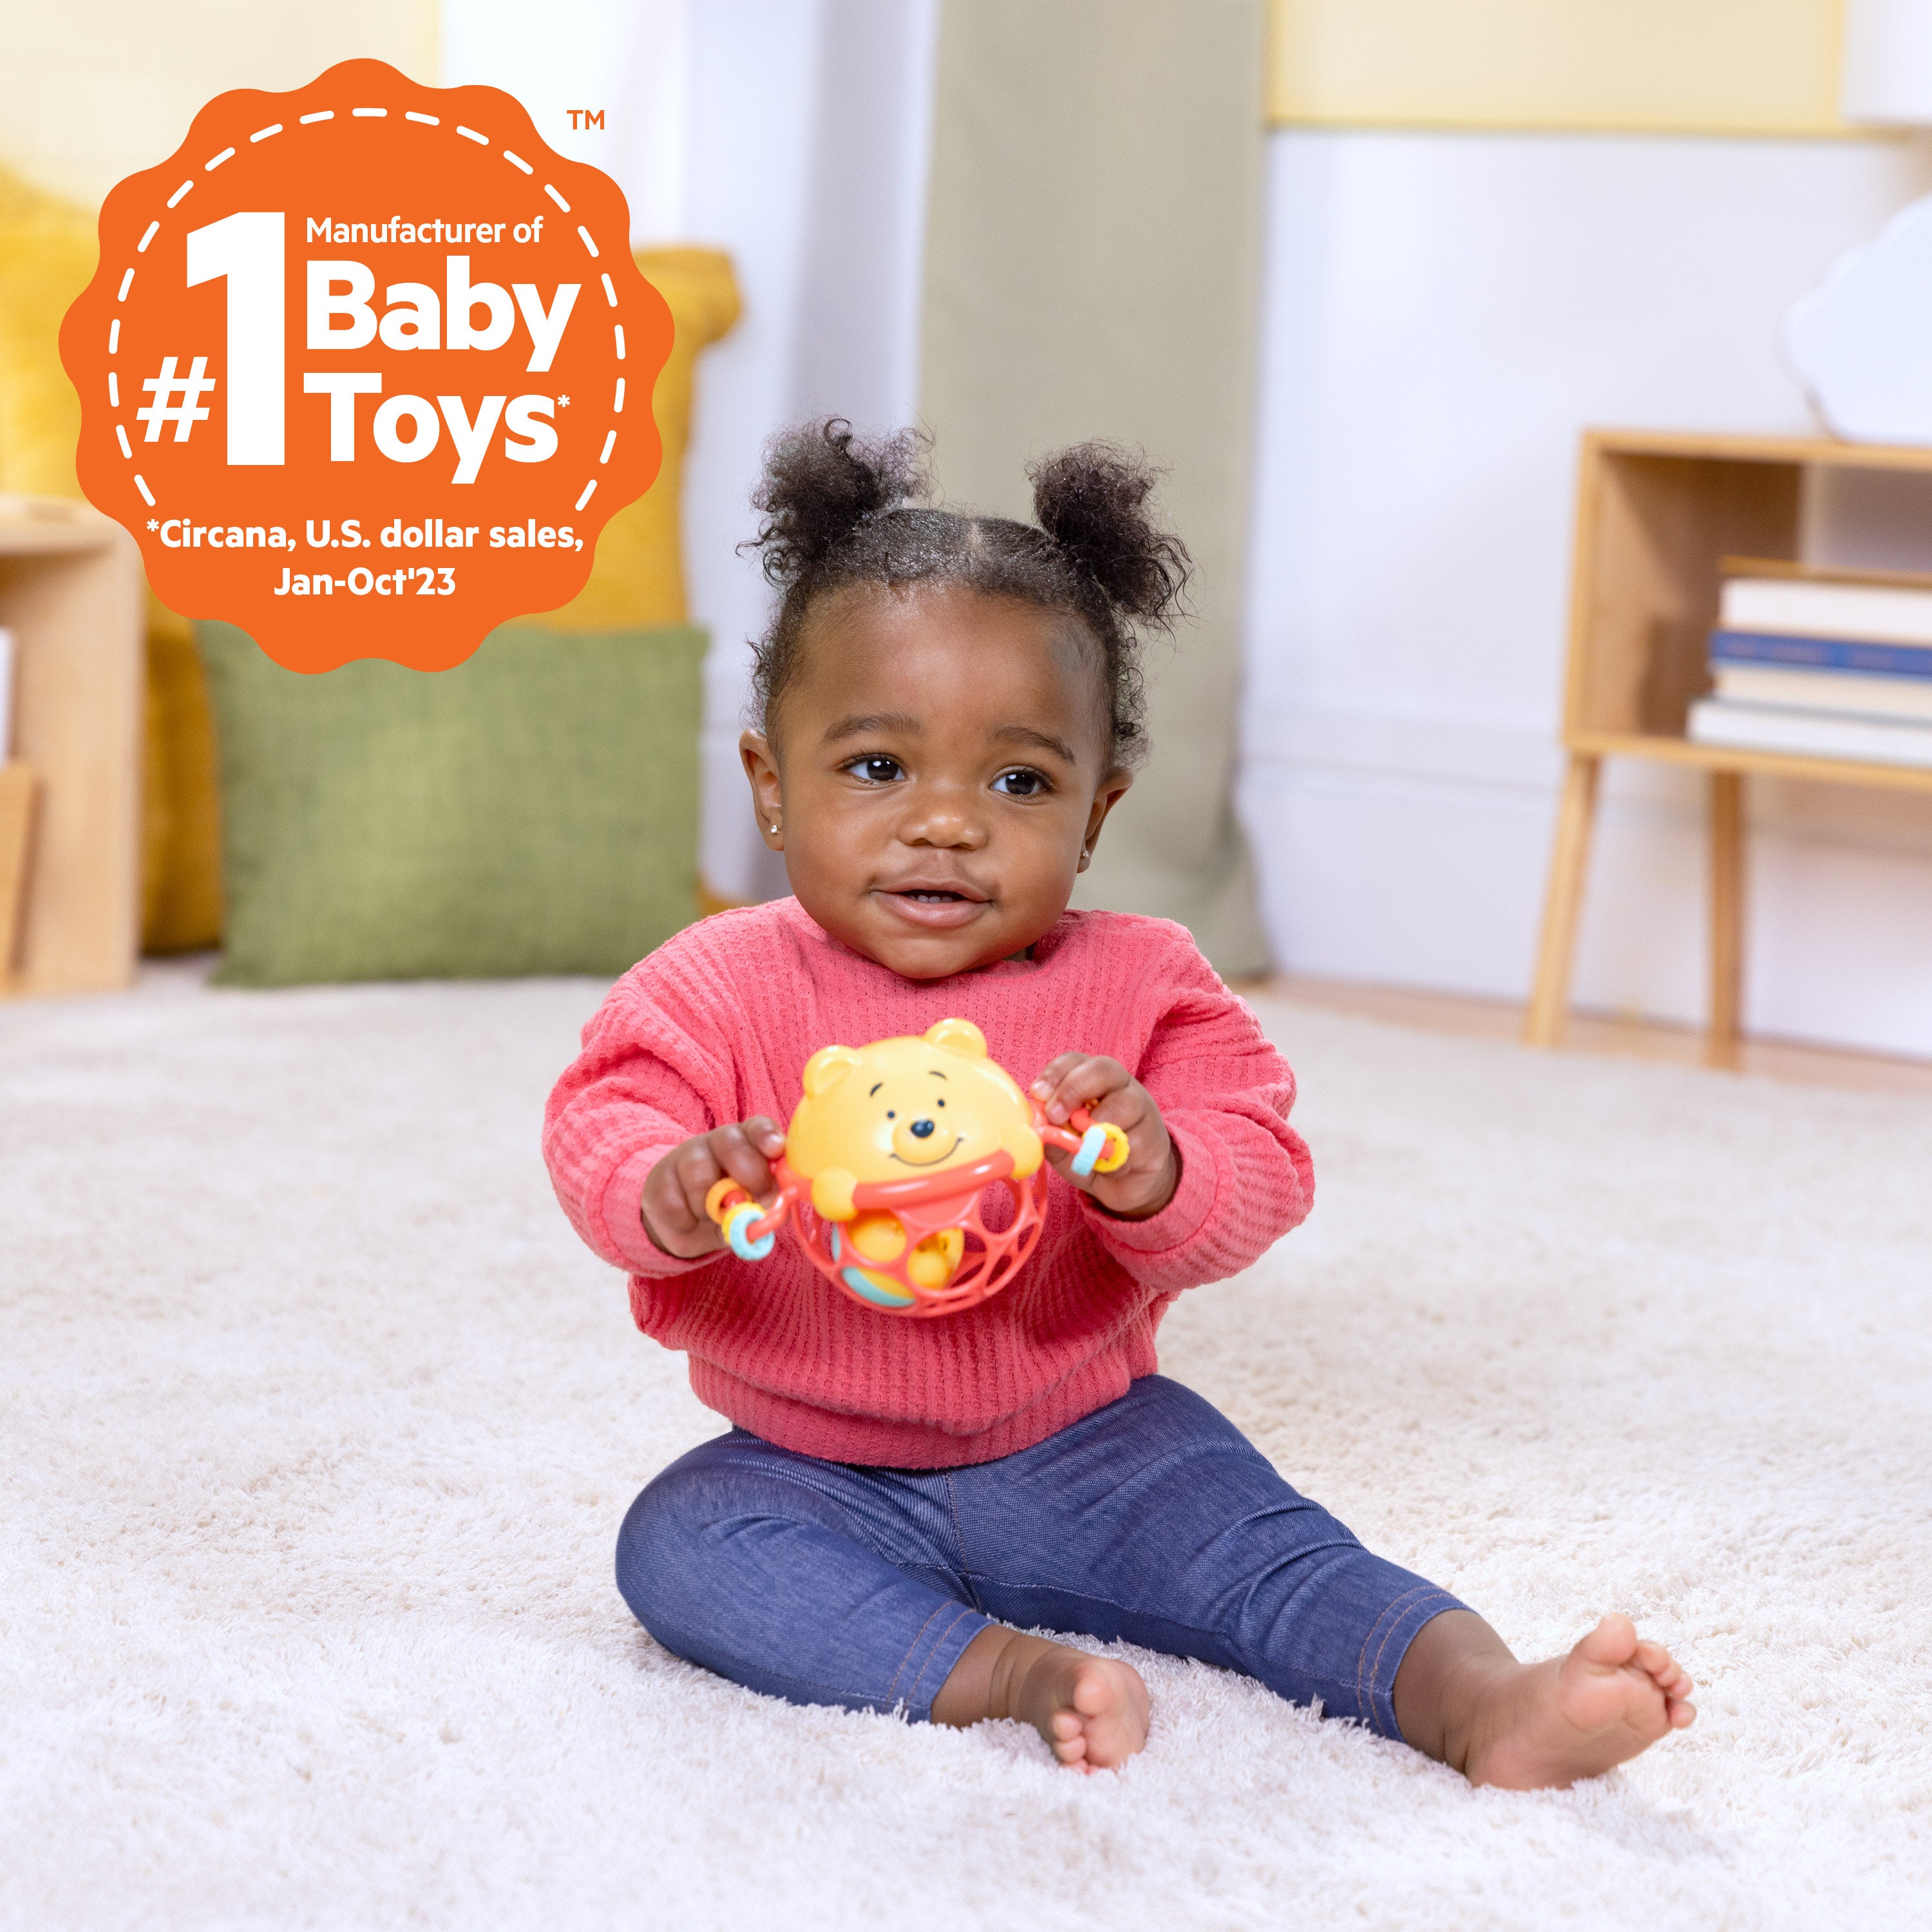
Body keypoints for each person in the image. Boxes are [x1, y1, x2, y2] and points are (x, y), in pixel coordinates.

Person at [543, 421, 1696, 1783]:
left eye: (1019, 780)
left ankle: (1482, 1699)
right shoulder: (714, 982)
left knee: (1275, 1553)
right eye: (877, 767)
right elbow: (601, 1119)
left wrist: (1161, 1168)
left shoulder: (1144, 984)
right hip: (810, 1465)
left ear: (1096, 813)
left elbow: (1262, 1163)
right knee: (680, 1545)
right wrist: (668, 1186)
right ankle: (1001, 1674)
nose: (947, 821)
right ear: (770, 789)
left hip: (1091, 1441)